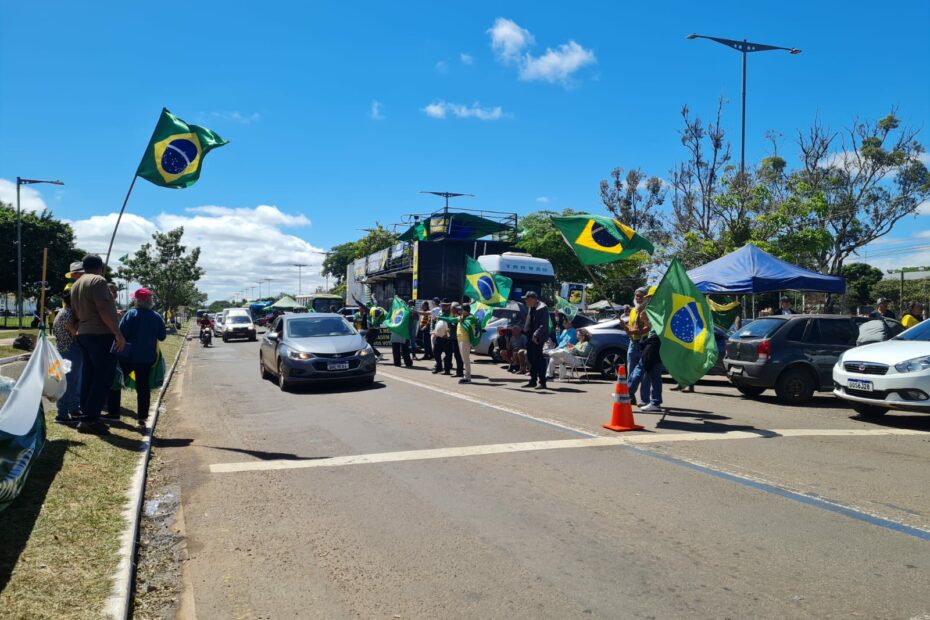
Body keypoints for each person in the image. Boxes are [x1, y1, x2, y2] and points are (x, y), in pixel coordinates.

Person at [69, 254, 126, 435]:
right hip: (100, 334)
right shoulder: (99, 281)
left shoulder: (76, 284)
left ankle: (87, 416)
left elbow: (76, 312)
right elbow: (102, 307)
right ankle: (89, 419)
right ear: (101, 267)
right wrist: (117, 333)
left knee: (89, 376)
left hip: (84, 333)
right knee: (103, 378)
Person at [109, 288, 167, 426]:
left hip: (127, 356)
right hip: (147, 359)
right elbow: (162, 337)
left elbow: (121, 333)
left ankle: (114, 414)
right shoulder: (156, 316)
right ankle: (142, 418)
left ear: (137, 301)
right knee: (143, 387)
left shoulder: (131, 314)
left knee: (115, 382)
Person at [52, 287, 83, 425]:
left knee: (69, 382)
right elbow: (74, 332)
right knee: (69, 383)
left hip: (62, 350)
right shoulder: (68, 314)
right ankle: (63, 413)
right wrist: (82, 319)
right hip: (69, 350)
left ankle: (72, 409)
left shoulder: (63, 312)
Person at [619, 287, 650, 405]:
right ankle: (630, 397)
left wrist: (634, 332)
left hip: (644, 344)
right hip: (633, 344)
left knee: (645, 374)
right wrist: (625, 327)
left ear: (646, 297)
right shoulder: (632, 311)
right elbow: (631, 328)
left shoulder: (649, 310)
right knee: (631, 372)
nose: (638, 298)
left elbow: (649, 328)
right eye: (637, 295)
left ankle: (645, 400)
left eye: (641, 295)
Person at [521, 291, 550, 389]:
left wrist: (536, 334)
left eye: (527, 299)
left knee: (538, 360)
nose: (525, 301)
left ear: (533, 299)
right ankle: (533, 380)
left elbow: (544, 325)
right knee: (531, 359)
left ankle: (542, 382)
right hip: (530, 338)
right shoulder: (531, 307)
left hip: (537, 338)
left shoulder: (542, 308)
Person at [546, 315, 578, 380]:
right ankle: (549, 375)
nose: (563, 323)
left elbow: (569, 342)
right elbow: (559, 342)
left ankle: (549, 352)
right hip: (560, 352)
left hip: (568, 352)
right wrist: (557, 333)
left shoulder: (574, 331)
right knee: (552, 359)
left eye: (564, 321)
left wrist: (558, 348)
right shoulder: (564, 331)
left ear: (569, 322)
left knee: (559, 352)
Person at [456, 303, 480, 384]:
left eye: (461, 309)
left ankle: (468, 377)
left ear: (465, 311)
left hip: (465, 340)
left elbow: (468, 326)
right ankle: (466, 376)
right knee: (464, 359)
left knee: (466, 359)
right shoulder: (463, 317)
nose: (460, 311)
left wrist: (462, 321)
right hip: (460, 340)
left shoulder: (470, 317)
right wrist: (440, 318)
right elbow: (451, 319)